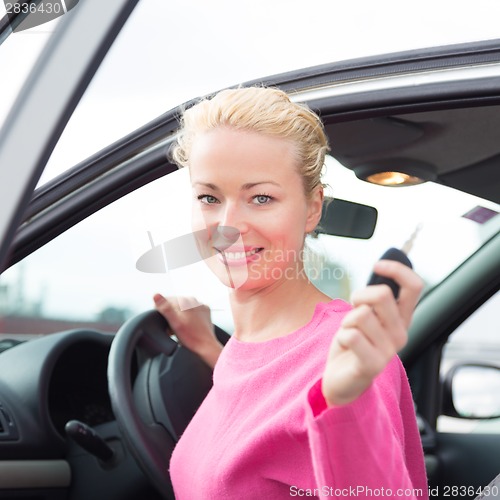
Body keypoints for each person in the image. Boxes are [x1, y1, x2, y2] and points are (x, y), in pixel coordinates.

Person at [153, 86, 428, 499]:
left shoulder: (349, 360)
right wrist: (210, 348)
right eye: (209, 197)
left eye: (260, 197)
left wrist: (345, 401)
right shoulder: (245, 346)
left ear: (313, 208)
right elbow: (266, 414)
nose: (228, 225)